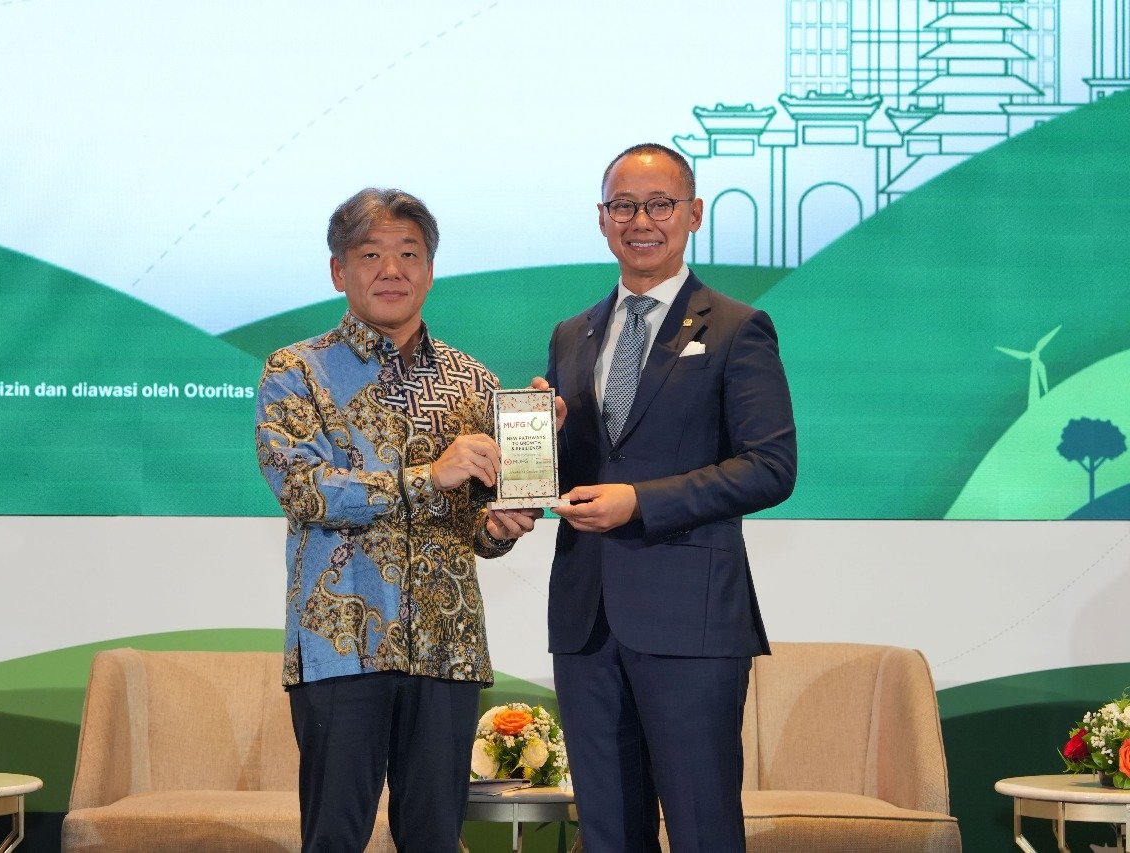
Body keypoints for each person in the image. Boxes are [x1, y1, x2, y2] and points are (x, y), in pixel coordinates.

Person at [255, 187, 539, 852]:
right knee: (334, 837)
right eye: (371, 254)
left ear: (430, 271)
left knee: (436, 839)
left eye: (409, 254)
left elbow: (473, 526)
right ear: (339, 271)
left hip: (448, 648)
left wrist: (500, 525)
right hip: (341, 646)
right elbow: (303, 490)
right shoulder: (296, 371)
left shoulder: (473, 381)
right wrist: (428, 476)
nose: (392, 269)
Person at [542, 143, 797, 852]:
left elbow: (771, 467)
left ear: (693, 214)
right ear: (602, 218)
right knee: (608, 833)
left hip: (693, 624)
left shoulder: (737, 327)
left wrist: (639, 502)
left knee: (701, 827)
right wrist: (542, 447)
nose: (641, 221)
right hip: (587, 621)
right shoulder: (571, 334)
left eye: (659, 205)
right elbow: (581, 473)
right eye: (624, 206)